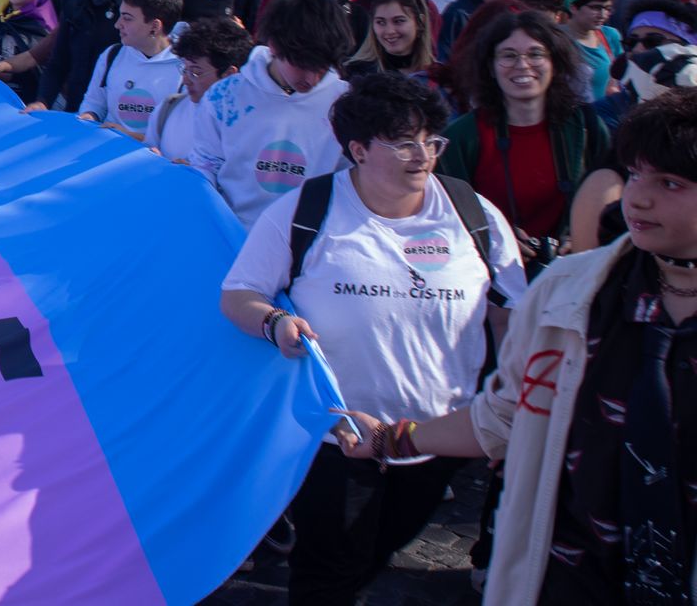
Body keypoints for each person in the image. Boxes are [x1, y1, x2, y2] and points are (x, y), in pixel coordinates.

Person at [335, 86, 697, 605]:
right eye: (635, 174)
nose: (638, 198)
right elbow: (505, 415)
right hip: (570, 578)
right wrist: (392, 440)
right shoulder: (570, 291)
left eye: (670, 183)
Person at [220, 72, 525, 605]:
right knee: (326, 570)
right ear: (357, 149)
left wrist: (510, 413)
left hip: (437, 435)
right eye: (404, 143)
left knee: (376, 552)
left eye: (432, 140)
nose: (423, 155)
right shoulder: (306, 211)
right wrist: (273, 323)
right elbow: (239, 294)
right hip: (337, 439)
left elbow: (512, 315)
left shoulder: (472, 214)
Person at [438, 11, 608, 272]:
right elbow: (442, 217)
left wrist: (581, 236)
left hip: (573, 276)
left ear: (555, 62)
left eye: (535, 54)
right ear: (490, 68)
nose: (523, 65)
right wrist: (493, 236)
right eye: (508, 55)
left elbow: (613, 201)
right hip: (490, 280)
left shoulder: (585, 127)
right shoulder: (462, 137)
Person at [191, 0, 354, 226]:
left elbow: (352, 175)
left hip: (310, 243)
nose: (312, 78)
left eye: (322, 66)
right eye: (302, 64)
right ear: (275, 47)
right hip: (235, 235)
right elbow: (205, 165)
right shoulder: (225, 97)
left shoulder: (343, 102)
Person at [76, 0, 184, 139]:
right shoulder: (112, 55)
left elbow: (180, 138)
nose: (117, 24)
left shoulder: (186, 69)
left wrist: (130, 137)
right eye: (120, 15)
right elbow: (94, 103)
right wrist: (88, 117)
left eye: (127, 18)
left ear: (154, 26)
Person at [149, 17, 253, 164]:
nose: (186, 80)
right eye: (185, 70)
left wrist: (198, 175)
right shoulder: (169, 108)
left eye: (196, 72)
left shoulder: (252, 125)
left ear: (229, 75)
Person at [343, 0, 435, 81]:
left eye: (399, 21)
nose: (389, 31)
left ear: (420, 23)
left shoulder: (437, 76)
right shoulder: (357, 75)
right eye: (381, 22)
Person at [560, 0, 622, 100]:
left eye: (607, 8)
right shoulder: (556, 38)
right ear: (573, 7)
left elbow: (620, 77)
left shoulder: (610, 35)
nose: (603, 15)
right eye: (595, 8)